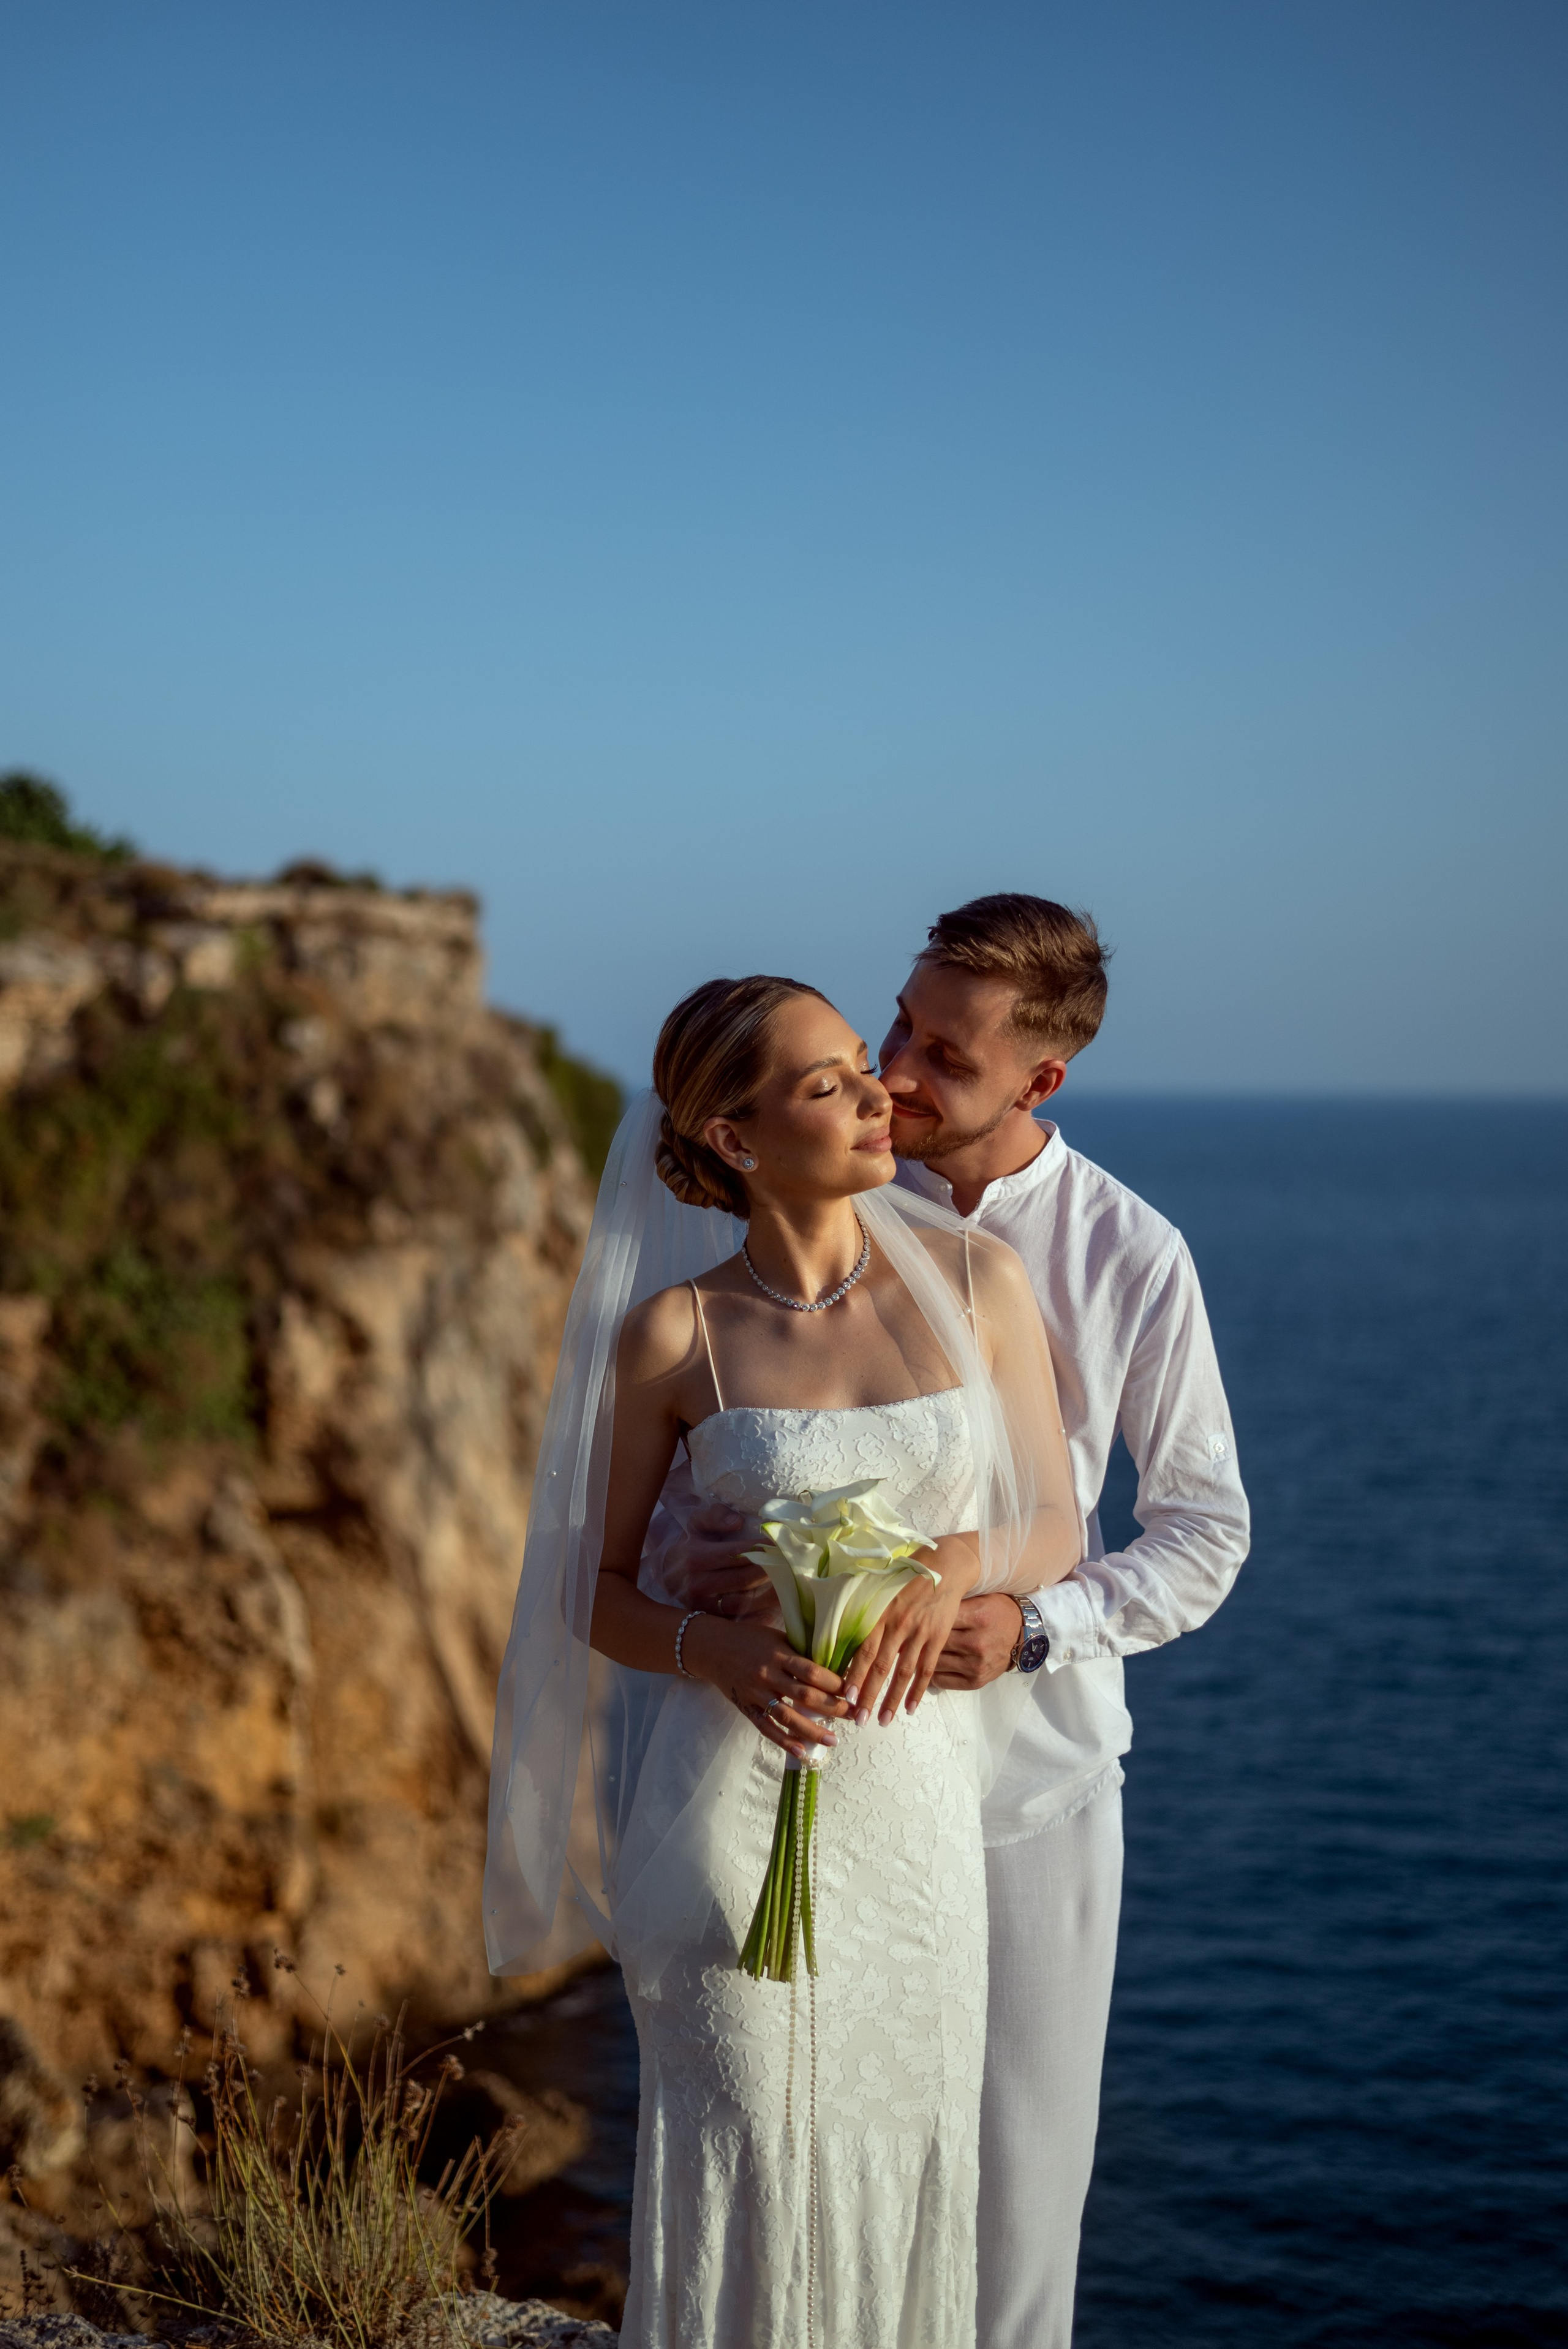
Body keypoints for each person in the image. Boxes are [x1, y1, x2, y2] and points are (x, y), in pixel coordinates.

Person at [657, 896, 1251, 2349]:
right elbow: (695, 1473)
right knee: (815, 2169)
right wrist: (724, 1579)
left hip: (1031, 1785)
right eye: (898, 1023)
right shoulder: (826, 1200)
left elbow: (1205, 1530)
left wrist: (1032, 1623)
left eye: (943, 1053)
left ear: (1040, 1081)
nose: (895, 1072)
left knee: (1014, 2203)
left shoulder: (1129, 1253)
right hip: (823, 1778)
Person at [485, 973, 1084, 2349]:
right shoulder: (673, 1334)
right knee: (748, 2135)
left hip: (914, 1810)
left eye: (854, 1068)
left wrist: (947, 1567)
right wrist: (720, 1654)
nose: (877, 1092)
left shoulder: (978, 1282)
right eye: (825, 1084)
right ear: (737, 1138)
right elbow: (589, 1585)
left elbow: (1049, 1521)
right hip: (729, 1807)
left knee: (902, 2132)